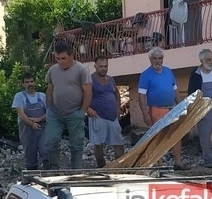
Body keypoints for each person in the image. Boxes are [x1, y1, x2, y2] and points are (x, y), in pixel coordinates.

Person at [45, 41, 93, 170]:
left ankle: (76, 171)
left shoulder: (82, 70)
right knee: (51, 141)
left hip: (75, 112)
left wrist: (82, 112)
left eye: (63, 58)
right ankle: (54, 170)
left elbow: (88, 92)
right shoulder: (52, 70)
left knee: (76, 144)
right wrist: (48, 109)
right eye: (57, 58)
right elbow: (49, 89)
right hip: (55, 113)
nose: (60, 61)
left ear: (71, 56)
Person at [138, 47, 188, 169]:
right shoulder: (145, 75)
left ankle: (178, 163)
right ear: (150, 59)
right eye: (155, 58)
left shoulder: (168, 71)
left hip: (172, 108)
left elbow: (175, 90)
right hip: (156, 110)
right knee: (159, 137)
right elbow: (141, 96)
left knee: (176, 135)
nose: (157, 61)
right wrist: (145, 114)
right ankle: (160, 165)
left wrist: (181, 106)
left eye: (160, 58)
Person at [88, 56, 126, 168]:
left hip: (113, 117)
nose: (104, 69)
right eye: (101, 66)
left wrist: (118, 108)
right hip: (98, 116)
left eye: (106, 66)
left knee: (119, 143)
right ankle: (102, 169)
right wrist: (88, 109)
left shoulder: (111, 79)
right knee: (99, 146)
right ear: (95, 66)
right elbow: (83, 95)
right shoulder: (90, 80)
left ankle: (121, 169)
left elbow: (117, 93)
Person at [12, 72, 48, 170]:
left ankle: (49, 177)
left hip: (42, 129)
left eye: (32, 81)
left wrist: (39, 119)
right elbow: (21, 113)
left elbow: (49, 112)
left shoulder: (42, 96)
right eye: (27, 82)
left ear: (35, 82)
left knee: (46, 152)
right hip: (27, 130)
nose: (30, 84)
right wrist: (31, 123)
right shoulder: (19, 96)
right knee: (30, 156)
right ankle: (31, 180)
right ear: (23, 84)